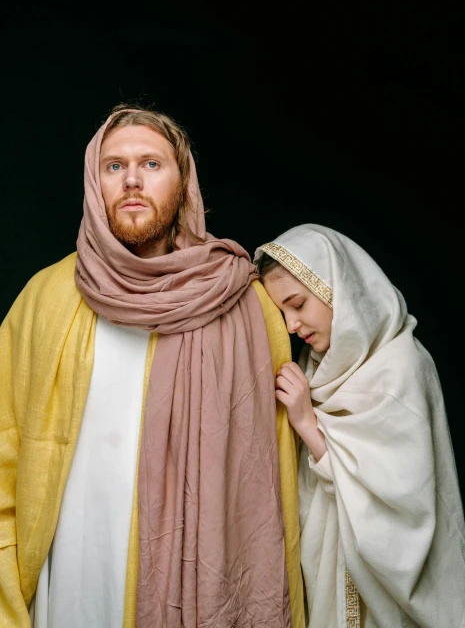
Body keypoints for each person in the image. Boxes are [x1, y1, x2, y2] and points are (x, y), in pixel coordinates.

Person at [0, 104, 305, 628]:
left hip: (204, 575)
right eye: (114, 166)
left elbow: (275, 471)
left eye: (151, 164)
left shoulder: (243, 303)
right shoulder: (45, 299)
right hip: (73, 571)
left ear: (183, 183)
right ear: (95, 184)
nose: (133, 180)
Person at [254, 224, 465, 628]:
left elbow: (403, 503)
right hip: (330, 577)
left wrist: (308, 424)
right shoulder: (315, 367)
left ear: (333, 286)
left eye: (298, 304)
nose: (291, 325)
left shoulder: (401, 367)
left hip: (384, 594)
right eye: (282, 313)